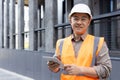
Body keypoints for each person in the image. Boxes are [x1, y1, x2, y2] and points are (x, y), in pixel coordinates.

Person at [47, 3, 112, 80]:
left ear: (89, 21)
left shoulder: (99, 43)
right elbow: (56, 68)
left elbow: (106, 70)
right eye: (76, 18)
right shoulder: (61, 43)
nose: (79, 22)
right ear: (70, 21)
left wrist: (81, 70)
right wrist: (53, 67)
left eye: (83, 19)